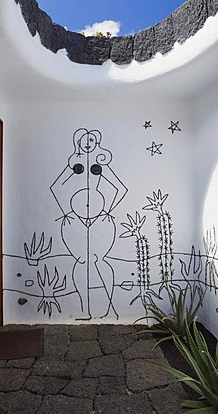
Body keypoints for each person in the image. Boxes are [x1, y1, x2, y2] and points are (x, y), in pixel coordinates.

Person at [50, 128, 128, 320]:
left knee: (100, 261)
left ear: (96, 142)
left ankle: (110, 307)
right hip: (75, 220)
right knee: (81, 261)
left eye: (91, 139)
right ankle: (86, 310)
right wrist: (66, 212)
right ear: (77, 142)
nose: (87, 142)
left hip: (100, 220)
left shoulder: (100, 165)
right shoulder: (74, 165)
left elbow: (120, 188)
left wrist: (107, 210)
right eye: (84, 139)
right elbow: (55, 187)